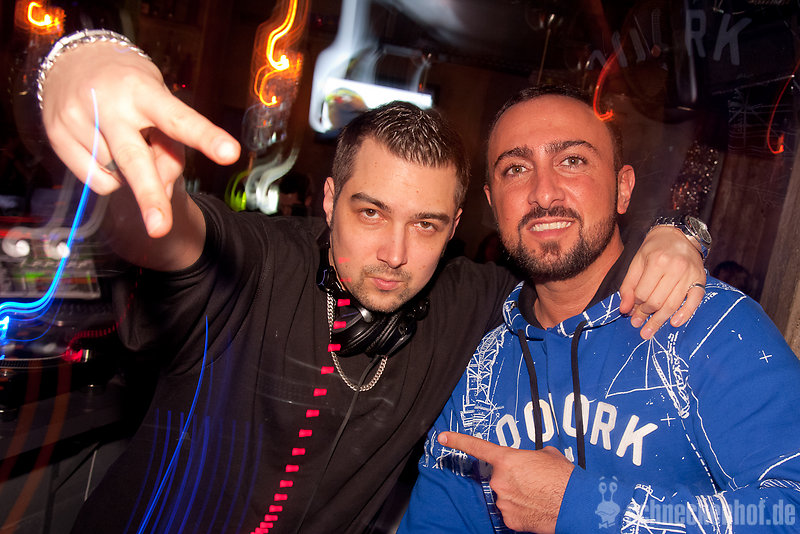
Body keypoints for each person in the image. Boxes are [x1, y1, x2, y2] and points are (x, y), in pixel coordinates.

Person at [38, 31, 706, 533]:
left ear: (455, 228)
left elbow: (567, 253)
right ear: (330, 201)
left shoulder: (469, 300)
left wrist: (680, 233)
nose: (394, 253)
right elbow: (166, 229)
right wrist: (84, 65)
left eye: (425, 224)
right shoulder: (256, 267)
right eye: (371, 212)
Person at [399, 85, 800, 533]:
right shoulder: (481, 365)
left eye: (572, 161)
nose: (543, 193)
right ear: (493, 204)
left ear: (622, 189)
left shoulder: (706, 323)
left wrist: (581, 508)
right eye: (516, 168)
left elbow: (792, 509)